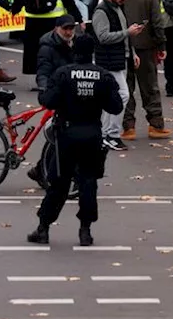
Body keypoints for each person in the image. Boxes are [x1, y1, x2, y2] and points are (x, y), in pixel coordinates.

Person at [27, 36, 123, 247]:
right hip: (91, 134)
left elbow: (48, 100)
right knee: (88, 183)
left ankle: (43, 227)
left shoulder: (63, 73)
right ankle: (85, 231)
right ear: (92, 52)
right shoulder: (103, 76)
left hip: (67, 135)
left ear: (74, 49)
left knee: (58, 183)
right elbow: (115, 107)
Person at [115, 0, 171, 139]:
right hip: (146, 46)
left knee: (126, 87)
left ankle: (128, 126)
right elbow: (157, 22)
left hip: (123, 45)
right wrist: (161, 44)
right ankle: (155, 124)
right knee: (150, 86)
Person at [92, 0, 143, 151]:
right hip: (108, 61)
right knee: (122, 95)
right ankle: (111, 134)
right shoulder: (101, 11)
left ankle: (106, 133)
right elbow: (103, 37)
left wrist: (132, 52)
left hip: (120, 58)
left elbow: (124, 35)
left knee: (112, 97)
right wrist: (127, 32)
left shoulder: (117, 8)